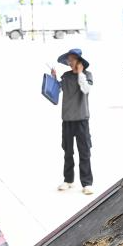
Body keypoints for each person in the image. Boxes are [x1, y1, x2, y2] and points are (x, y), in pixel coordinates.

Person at [52, 48, 94, 195]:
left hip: (82, 119)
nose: (69, 62)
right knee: (67, 151)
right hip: (67, 119)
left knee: (84, 152)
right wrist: (54, 79)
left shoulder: (87, 75)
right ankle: (68, 180)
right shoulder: (66, 76)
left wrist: (80, 73)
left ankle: (87, 183)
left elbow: (86, 89)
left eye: (72, 59)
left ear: (79, 61)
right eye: (68, 60)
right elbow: (57, 90)